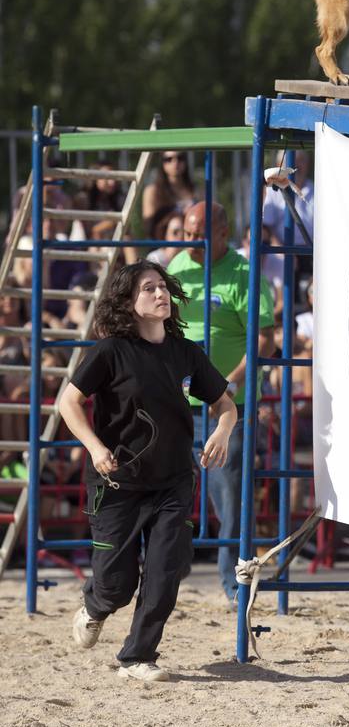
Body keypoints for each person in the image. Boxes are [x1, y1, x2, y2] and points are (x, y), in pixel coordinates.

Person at [58, 260, 235, 681]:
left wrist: (223, 431)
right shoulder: (109, 351)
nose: (161, 295)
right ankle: (96, 604)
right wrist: (95, 446)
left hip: (173, 478)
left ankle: (138, 657)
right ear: (129, 302)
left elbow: (224, 404)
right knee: (116, 585)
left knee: (165, 571)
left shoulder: (186, 351)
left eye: (163, 287)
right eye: (149, 289)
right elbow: (68, 403)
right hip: (116, 480)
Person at [168, 202, 275, 603]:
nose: (189, 242)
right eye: (185, 233)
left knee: (228, 490)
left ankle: (234, 582)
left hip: (230, 404)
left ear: (222, 233)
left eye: (197, 234)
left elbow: (263, 339)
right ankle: (170, 570)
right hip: (180, 400)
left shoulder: (244, 273)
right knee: (169, 487)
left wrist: (225, 385)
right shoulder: (176, 266)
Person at [141, 151, 197, 237]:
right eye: (169, 159)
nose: (175, 162)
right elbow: (149, 226)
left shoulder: (196, 190)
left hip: (191, 244)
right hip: (163, 245)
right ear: (162, 163)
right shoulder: (152, 191)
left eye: (180, 158)